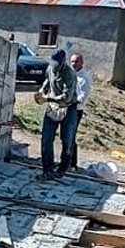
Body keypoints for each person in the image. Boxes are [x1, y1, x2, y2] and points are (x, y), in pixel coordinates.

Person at [36, 49, 78, 180]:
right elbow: (48, 80)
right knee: (46, 138)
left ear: (62, 63)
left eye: (57, 64)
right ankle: (47, 169)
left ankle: (62, 169)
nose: (54, 66)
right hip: (53, 107)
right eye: (52, 63)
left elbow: (66, 97)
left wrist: (47, 98)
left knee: (67, 140)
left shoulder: (69, 74)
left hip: (68, 107)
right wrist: (42, 90)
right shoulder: (50, 68)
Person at [67, 52, 91, 172]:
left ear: (81, 62)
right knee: (65, 136)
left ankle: (72, 164)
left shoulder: (84, 78)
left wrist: (71, 102)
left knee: (71, 136)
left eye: (76, 61)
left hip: (76, 110)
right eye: (72, 61)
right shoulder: (70, 74)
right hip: (66, 109)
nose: (74, 64)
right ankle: (65, 161)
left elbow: (83, 96)